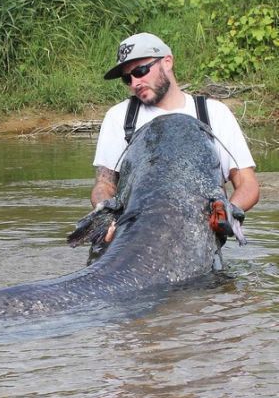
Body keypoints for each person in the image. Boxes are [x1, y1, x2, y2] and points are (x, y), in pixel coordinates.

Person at [91, 32, 259, 244]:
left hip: (195, 243)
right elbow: (103, 185)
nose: (135, 82)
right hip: (133, 240)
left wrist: (230, 210)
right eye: (127, 78)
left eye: (141, 71)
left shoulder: (213, 113)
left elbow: (247, 183)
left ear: (167, 61)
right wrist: (106, 217)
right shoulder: (119, 117)